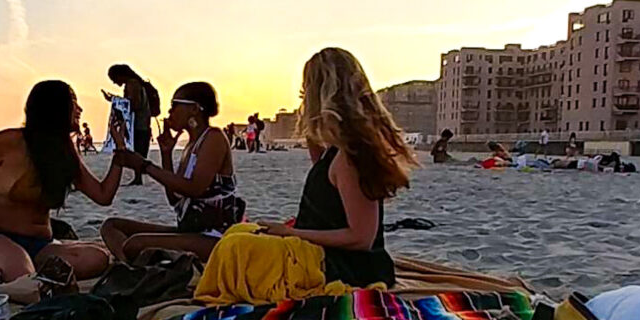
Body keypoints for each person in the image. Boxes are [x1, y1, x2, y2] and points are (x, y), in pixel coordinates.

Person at [205, 48, 415, 295]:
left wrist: (291, 233)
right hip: (319, 254)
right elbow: (322, 181)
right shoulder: (335, 149)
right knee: (237, 233)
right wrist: (315, 128)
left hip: (346, 266)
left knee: (237, 247)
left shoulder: (352, 157)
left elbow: (361, 238)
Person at [0, 80, 126, 281]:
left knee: (97, 258)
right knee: (24, 278)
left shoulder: (64, 153)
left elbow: (103, 195)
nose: (80, 109)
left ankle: (22, 269)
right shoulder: (10, 141)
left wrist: (120, 152)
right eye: (73, 102)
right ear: (54, 108)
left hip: (41, 245)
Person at [101, 82, 245, 263]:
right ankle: (129, 264)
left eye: (174, 105)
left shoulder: (213, 138)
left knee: (136, 244)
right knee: (111, 226)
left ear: (194, 109)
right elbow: (175, 199)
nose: (169, 113)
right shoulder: (191, 145)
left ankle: (130, 264)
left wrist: (145, 166)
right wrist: (166, 153)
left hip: (214, 236)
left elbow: (195, 189)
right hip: (189, 230)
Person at [104, 64, 154, 185]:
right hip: (143, 123)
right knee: (139, 150)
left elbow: (133, 104)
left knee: (137, 151)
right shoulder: (137, 83)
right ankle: (138, 178)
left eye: (114, 79)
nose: (115, 83)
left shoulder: (132, 84)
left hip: (138, 124)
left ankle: (138, 178)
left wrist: (114, 100)